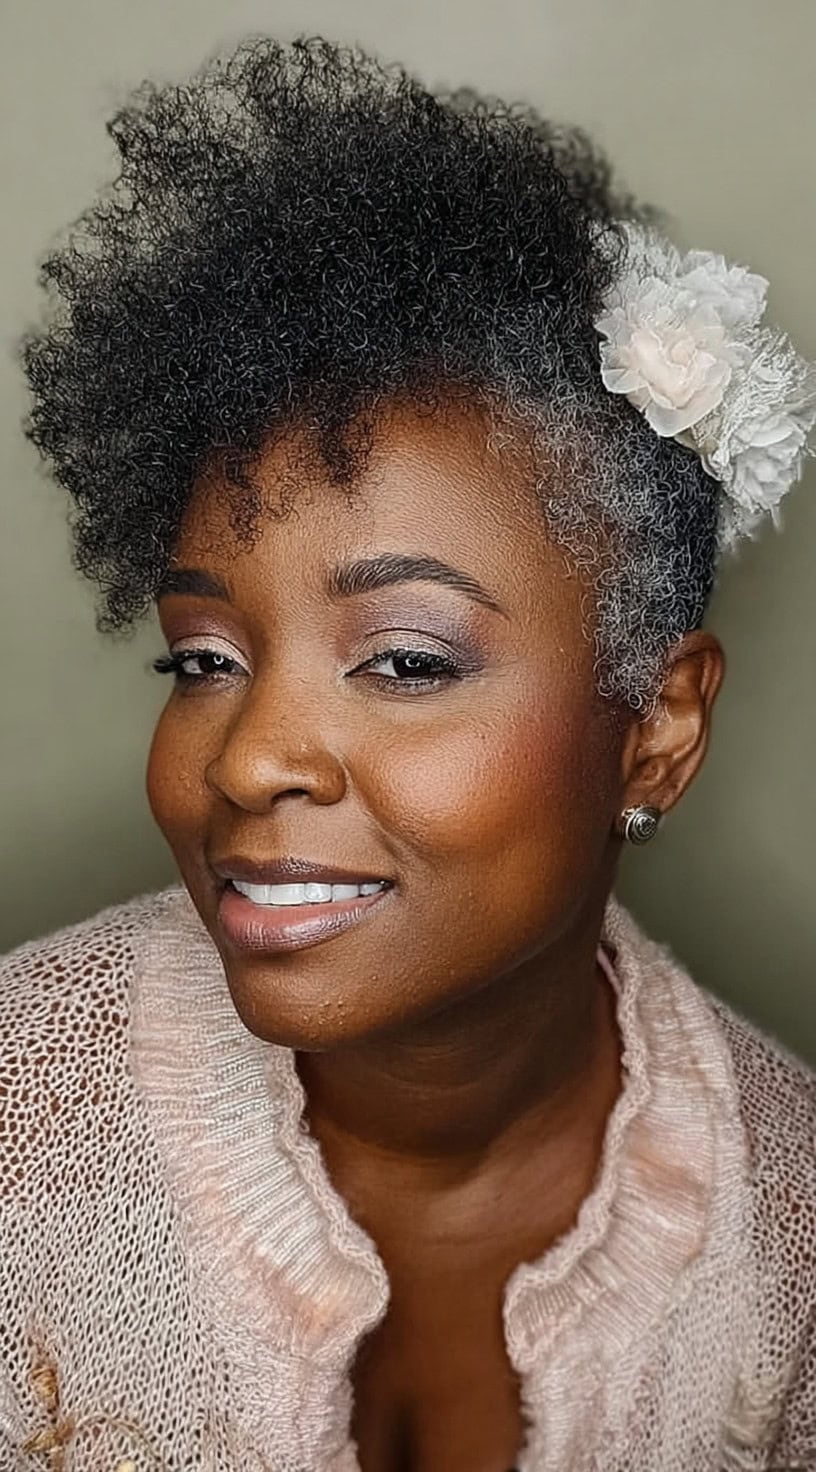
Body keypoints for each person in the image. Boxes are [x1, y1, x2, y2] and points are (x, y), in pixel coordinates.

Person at [1, 35, 815, 1472]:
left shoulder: (787, 1253)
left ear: (659, 730)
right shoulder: (21, 1136)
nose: (249, 760)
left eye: (406, 661)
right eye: (204, 659)